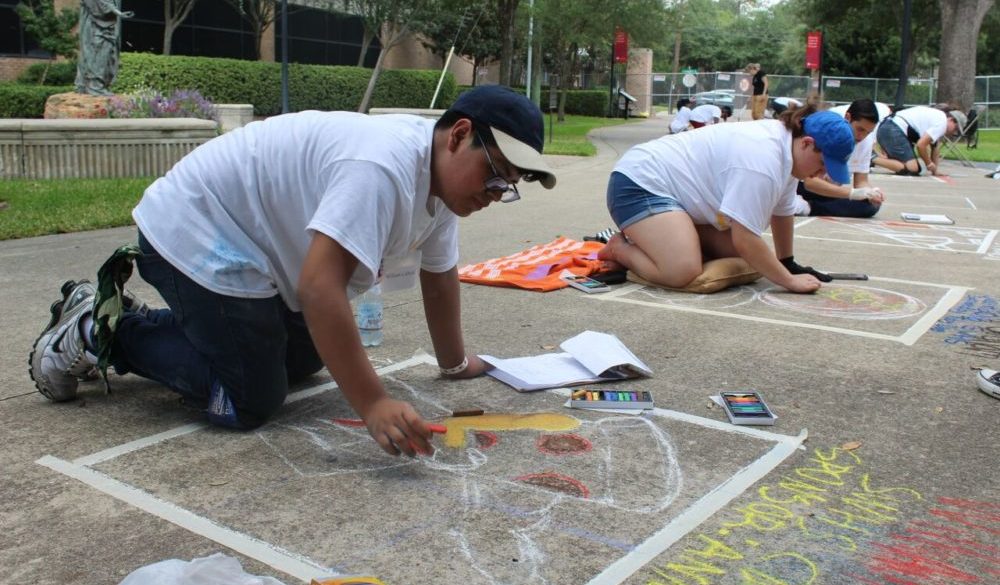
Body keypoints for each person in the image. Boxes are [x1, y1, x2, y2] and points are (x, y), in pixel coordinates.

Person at [28, 85, 556, 457]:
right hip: (196, 229)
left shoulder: (441, 188)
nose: (494, 194)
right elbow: (319, 286)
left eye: (507, 186)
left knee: (303, 357)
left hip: (254, 252)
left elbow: (439, 278)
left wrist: (454, 363)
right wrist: (372, 402)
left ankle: (192, 327)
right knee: (251, 399)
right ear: (458, 134)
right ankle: (104, 329)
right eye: (493, 175)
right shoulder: (382, 166)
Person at [597, 106, 854, 293]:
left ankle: (672, 238)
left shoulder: (789, 154)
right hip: (638, 183)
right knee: (681, 271)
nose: (823, 174)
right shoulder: (762, 159)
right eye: (823, 164)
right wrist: (787, 281)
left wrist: (788, 264)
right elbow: (745, 238)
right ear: (807, 143)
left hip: (675, 195)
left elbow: (782, 212)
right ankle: (620, 248)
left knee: (740, 255)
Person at [793, 99, 892, 218]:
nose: (862, 137)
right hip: (804, 185)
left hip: (828, 191)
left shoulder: (866, 142)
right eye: (860, 129)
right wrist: (853, 193)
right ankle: (800, 203)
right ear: (847, 117)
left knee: (869, 205)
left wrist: (869, 193)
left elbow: (861, 180)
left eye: (868, 132)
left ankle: (806, 206)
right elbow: (810, 181)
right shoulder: (831, 131)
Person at [872, 105, 967, 176]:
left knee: (907, 166)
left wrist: (935, 171)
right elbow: (921, 145)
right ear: (951, 120)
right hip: (893, 129)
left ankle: (873, 157)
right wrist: (929, 164)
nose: (953, 133)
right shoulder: (942, 123)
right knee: (912, 169)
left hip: (889, 128)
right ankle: (871, 158)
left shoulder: (938, 117)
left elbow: (935, 147)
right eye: (955, 129)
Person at [75, 0, 133, 96]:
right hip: (98, 25)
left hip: (102, 24)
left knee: (102, 52)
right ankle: (94, 86)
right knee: (98, 52)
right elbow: (98, 3)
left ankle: (91, 85)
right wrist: (117, 11)